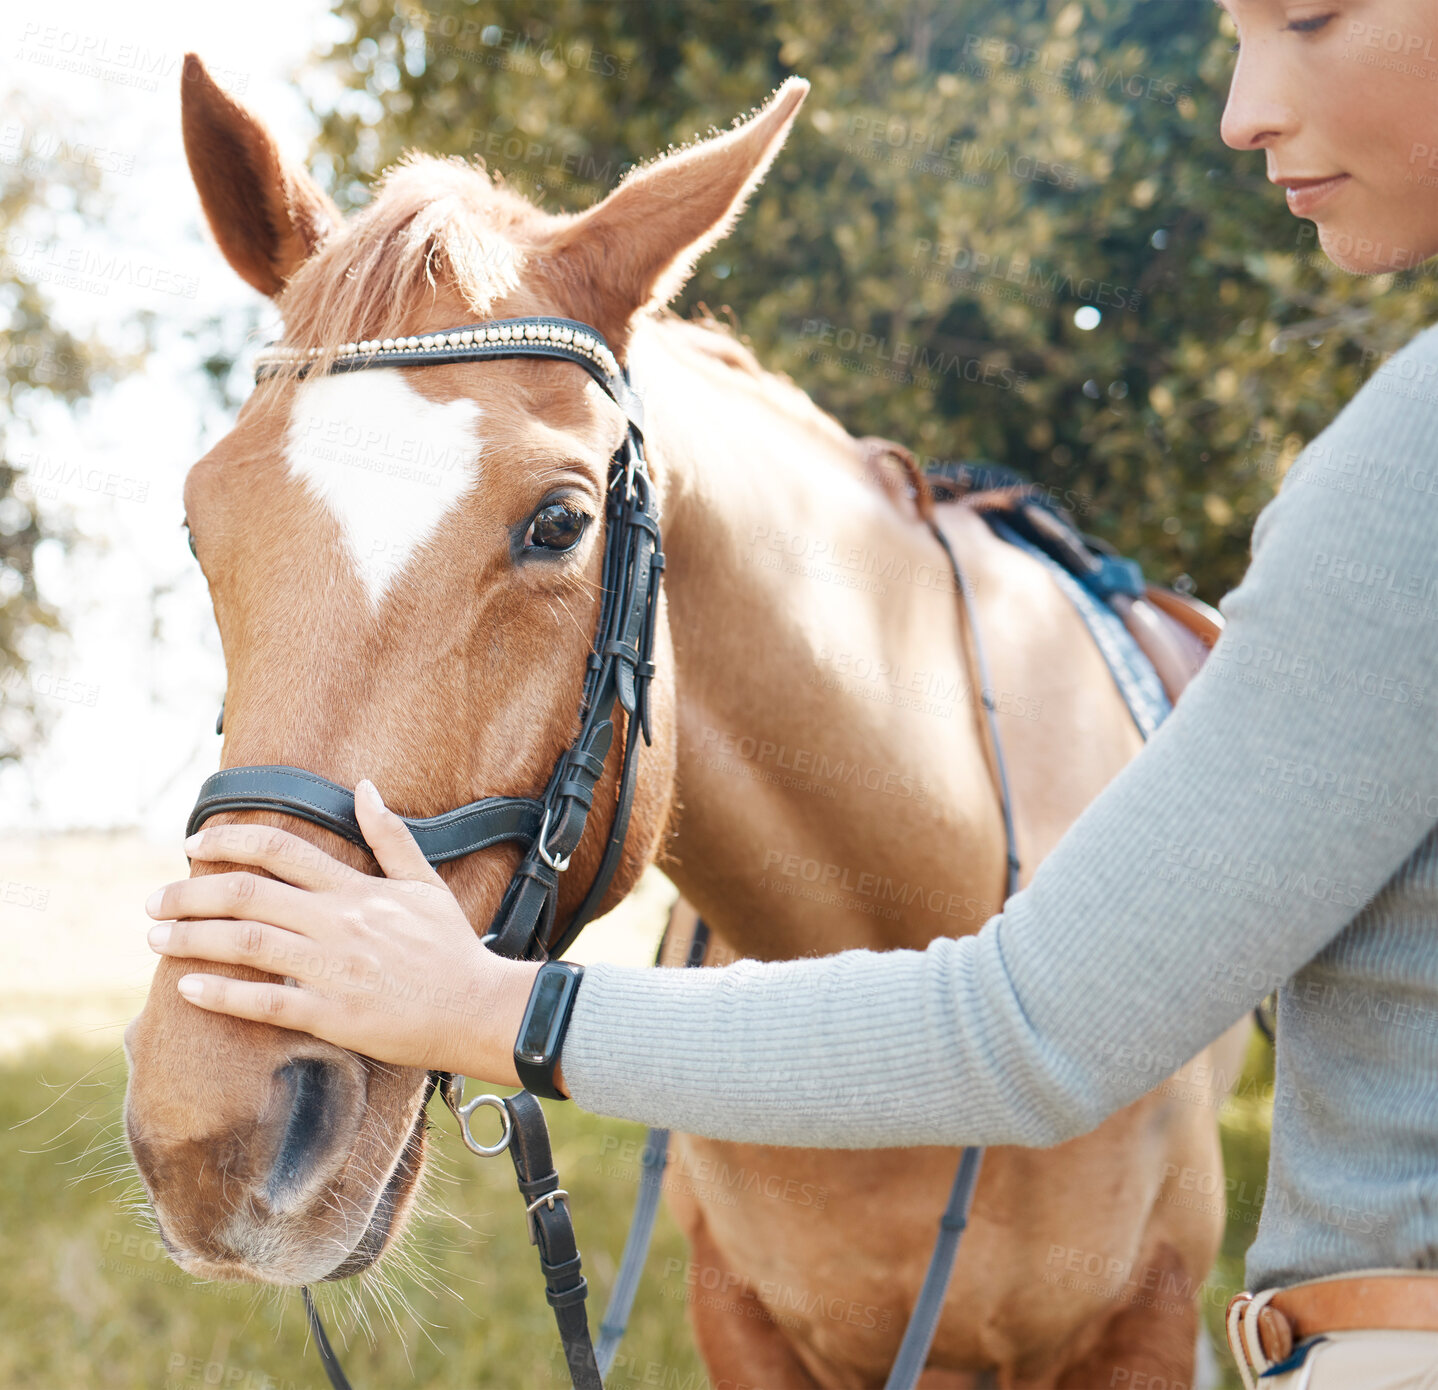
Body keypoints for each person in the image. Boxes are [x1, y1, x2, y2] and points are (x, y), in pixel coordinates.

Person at [143, 2, 1438, 1384]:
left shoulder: (1399, 471)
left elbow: (1035, 1028)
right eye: (1236, 31)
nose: (1238, 109)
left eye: (1307, 16)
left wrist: (484, 1006)